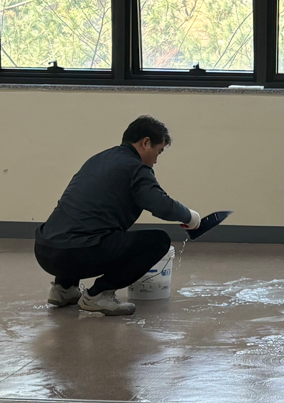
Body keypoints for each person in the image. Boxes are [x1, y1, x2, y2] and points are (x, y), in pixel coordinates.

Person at [34, 115, 202, 317]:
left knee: (85, 228)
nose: (156, 160)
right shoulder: (136, 168)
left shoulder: (99, 159)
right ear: (145, 142)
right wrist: (190, 217)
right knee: (157, 241)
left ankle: (64, 289)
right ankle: (99, 294)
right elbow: (160, 204)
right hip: (76, 254)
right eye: (158, 151)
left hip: (45, 250)